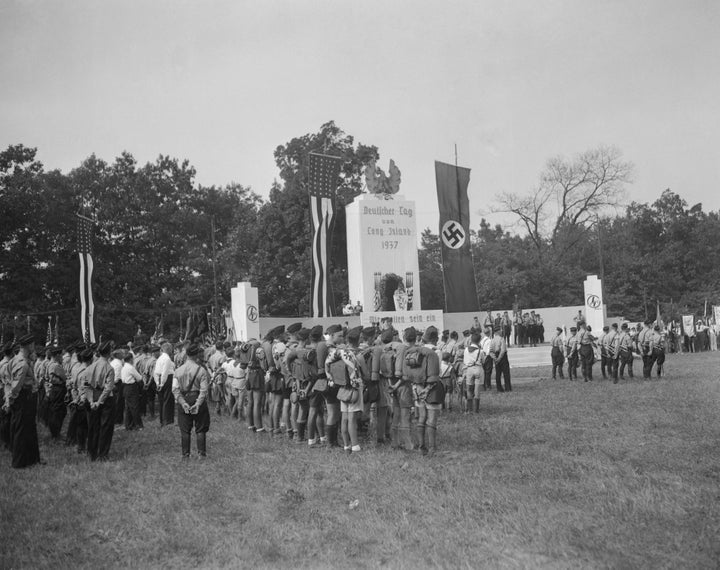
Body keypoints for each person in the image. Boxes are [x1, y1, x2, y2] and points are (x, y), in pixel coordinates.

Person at [4, 334, 42, 468]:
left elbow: (7, 380)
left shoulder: (15, 360)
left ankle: (32, 459)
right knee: (21, 430)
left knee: (28, 429)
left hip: (24, 398)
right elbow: (16, 386)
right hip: (24, 398)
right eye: (32, 344)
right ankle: (19, 462)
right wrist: (10, 400)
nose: (34, 347)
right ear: (28, 346)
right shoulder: (23, 364)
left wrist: (8, 399)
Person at [172, 343, 210, 458]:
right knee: (201, 428)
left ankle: (185, 454)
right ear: (196, 355)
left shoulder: (178, 371)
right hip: (197, 397)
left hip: (184, 398)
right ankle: (201, 454)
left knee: (184, 429)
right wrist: (198, 403)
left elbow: (175, 389)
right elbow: (204, 390)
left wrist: (182, 403)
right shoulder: (201, 370)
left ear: (186, 355)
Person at [82, 340, 116, 461]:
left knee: (93, 426)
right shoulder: (109, 368)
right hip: (105, 400)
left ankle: (92, 453)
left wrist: (91, 401)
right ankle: (103, 454)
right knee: (105, 428)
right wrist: (99, 402)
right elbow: (108, 388)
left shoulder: (90, 367)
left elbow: (86, 386)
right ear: (109, 352)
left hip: (92, 397)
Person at [410, 326, 442, 455]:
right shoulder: (436, 351)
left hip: (417, 386)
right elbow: (437, 370)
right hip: (432, 386)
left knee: (421, 417)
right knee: (432, 419)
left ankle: (421, 447)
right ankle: (432, 447)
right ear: (435, 338)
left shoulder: (417, 350)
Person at [45, 346, 67, 440]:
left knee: (56, 411)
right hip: (57, 389)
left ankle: (55, 433)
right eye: (61, 355)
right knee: (58, 412)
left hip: (54, 389)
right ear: (57, 355)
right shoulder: (55, 366)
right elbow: (64, 378)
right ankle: (55, 433)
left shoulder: (50, 364)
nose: (62, 357)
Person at [121, 352, 143, 430]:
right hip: (131, 387)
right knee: (135, 407)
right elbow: (139, 378)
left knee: (128, 408)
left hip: (125, 387)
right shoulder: (130, 367)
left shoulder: (124, 367)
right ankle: (138, 425)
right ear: (130, 359)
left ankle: (129, 424)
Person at [154, 342, 175, 426]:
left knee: (162, 400)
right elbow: (165, 372)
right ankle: (167, 420)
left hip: (160, 378)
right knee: (167, 400)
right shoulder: (167, 359)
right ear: (169, 349)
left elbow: (155, 372)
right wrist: (162, 383)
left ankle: (162, 419)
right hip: (166, 379)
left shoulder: (159, 358)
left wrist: (157, 382)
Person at [462, 332, 483, 412]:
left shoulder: (466, 350)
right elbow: (483, 360)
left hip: (469, 369)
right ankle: (476, 409)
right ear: (479, 341)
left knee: (469, 389)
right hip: (477, 368)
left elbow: (465, 361)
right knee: (477, 390)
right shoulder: (480, 351)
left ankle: (469, 409)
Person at [490, 327, 511, 392]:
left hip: (496, 356)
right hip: (503, 357)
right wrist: (499, 358)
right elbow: (503, 350)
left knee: (498, 374)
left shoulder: (492, 340)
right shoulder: (502, 339)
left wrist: (495, 358)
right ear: (498, 332)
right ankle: (507, 388)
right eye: (500, 330)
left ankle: (499, 388)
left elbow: (490, 351)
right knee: (506, 373)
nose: (501, 331)